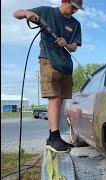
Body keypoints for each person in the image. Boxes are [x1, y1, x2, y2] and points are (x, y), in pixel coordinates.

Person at [13, 0, 84, 153]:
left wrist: (67, 44)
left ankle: (55, 137)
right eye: (73, 7)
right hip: (49, 60)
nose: (74, 11)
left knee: (62, 102)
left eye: (77, 9)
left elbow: (74, 47)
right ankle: (53, 138)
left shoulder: (76, 24)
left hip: (66, 65)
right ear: (64, 1)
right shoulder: (47, 12)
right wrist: (27, 13)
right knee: (55, 99)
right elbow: (16, 13)